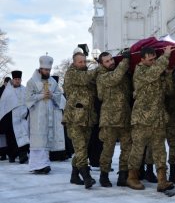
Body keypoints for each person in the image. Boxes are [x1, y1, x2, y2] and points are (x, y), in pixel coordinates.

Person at [127, 46, 175, 192]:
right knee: (138, 149)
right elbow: (152, 73)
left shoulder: (158, 71)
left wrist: (167, 75)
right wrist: (165, 56)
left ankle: (162, 180)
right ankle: (132, 177)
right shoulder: (140, 71)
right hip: (142, 119)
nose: (154, 62)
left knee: (160, 150)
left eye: (155, 59)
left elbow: (169, 91)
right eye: (151, 59)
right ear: (142, 60)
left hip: (158, 118)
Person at [63, 47, 99, 189]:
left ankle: (74, 175)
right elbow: (85, 78)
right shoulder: (72, 73)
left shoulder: (87, 75)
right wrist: (99, 67)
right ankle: (86, 176)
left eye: (84, 61)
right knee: (81, 148)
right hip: (74, 119)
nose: (83, 64)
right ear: (74, 62)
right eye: (80, 62)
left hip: (87, 118)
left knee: (81, 149)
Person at [96, 51, 132, 187]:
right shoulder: (101, 75)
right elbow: (114, 78)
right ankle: (104, 175)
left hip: (124, 116)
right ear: (101, 64)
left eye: (111, 59)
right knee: (108, 149)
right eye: (107, 61)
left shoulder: (120, 72)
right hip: (109, 118)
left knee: (127, 148)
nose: (111, 62)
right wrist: (125, 61)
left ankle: (123, 174)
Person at [26, 55, 65, 174]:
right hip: (37, 115)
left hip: (49, 116)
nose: (47, 72)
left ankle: (45, 164)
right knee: (38, 140)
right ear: (40, 68)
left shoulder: (52, 82)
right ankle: (37, 166)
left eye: (49, 70)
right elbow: (27, 99)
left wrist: (52, 95)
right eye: (45, 70)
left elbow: (60, 97)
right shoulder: (31, 82)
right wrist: (41, 96)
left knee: (46, 140)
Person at [0, 71, 29, 163]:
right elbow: (4, 105)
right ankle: (12, 156)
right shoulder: (8, 91)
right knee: (11, 138)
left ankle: (23, 156)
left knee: (24, 137)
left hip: (23, 117)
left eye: (19, 79)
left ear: (21, 80)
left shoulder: (25, 90)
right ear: (13, 80)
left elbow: (29, 102)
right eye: (15, 79)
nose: (17, 81)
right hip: (11, 119)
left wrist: (27, 113)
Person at [0, 77, 11, 161]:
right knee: (2, 135)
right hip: (2, 116)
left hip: (7, 116)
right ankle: (3, 154)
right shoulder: (1, 90)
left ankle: (7, 153)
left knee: (7, 135)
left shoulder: (10, 91)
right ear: (5, 83)